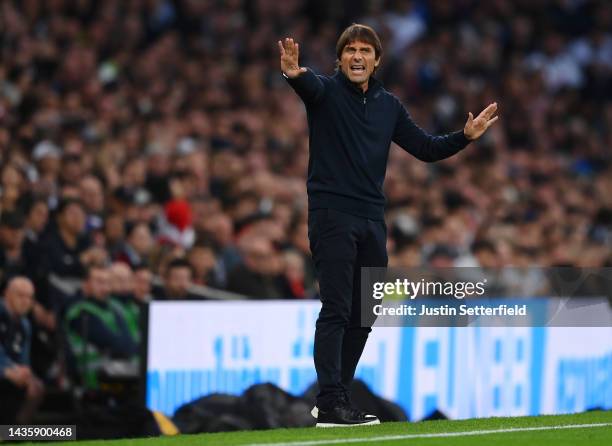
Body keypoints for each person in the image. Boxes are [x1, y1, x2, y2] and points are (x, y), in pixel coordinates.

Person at [279, 23, 498, 426]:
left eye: (365, 50)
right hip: (332, 214)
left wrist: (464, 137)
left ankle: (334, 398)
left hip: (372, 218)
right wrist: (294, 75)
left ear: (377, 60)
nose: (357, 56)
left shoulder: (388, 105)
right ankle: (329, 398)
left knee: (367, 310)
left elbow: (426, 149)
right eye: (350, 50)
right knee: (337, 307)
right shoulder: (325, 92)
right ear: (340, 59)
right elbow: (307, 86)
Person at [0, 277, 45, 424]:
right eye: (20, 295)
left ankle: (13, 435)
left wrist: (26, 373)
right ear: (6, 293)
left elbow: (23, 357)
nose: (26, 301)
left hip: (11, 373)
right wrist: (7, 371)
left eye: (30, 297)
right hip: (4, 370)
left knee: (35, 386)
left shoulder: (24, 324)